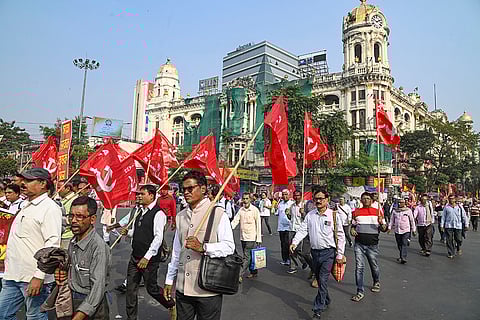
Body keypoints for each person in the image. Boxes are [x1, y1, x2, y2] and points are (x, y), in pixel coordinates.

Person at [164, 171, 235, 320]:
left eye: (190, 188)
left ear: (203, 189)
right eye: (184, 190)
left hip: (207, 288)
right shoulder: (181, 215)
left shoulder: (218, 213)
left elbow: (229, 246)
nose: (186, 193)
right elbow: (177, 252)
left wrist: (204, 247)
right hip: (183, 288)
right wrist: (169, 280)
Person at [0, 168, 62, 319]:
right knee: (4, 314)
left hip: (32, 277)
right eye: (23, 180)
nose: (23, 184)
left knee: (35, 316)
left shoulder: (50, 208)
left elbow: (52, 245)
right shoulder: (26, 205)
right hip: (12, 275)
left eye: (28, 181)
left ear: (42, 184)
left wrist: (39, 276)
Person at [121, 184, 175, 320]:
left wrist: (147, 257)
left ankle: (171, 304)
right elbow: (138, 232)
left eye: (142, 194)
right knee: (131, 289)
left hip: (149, 260)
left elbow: (158, 237)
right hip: (135, 257)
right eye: (138, 194)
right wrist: (128, 233)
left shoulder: (159, 213)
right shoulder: (139, 212)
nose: (139, 196)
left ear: (151, 196)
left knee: (152, 289)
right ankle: (131, 317)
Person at [290, 188, 345, 319]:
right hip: (315, 253)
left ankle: (317, 309)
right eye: (316, 199)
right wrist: (294, 242)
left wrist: (339, 255)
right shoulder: (310, 215)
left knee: (323, 279)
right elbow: (303, 230)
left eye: (321, 198)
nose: (319, 201)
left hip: (329, 253)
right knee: (320, 280)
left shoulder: (334, 216)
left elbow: (340, 236)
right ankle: (326, 299)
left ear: (327, 200)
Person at [55, 196, 110, 319]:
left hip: (91, 306)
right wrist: (63, 273)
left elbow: (97, 288)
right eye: (71, 216)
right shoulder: (73, 241)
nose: (73, 220)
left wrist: (80, 315)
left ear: (92, 219)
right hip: (72, 300)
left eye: (79, 216)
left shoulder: (98, 247)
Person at [350, 192, 387, 302]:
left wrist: (381, 223)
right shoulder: (356, 212)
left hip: (372, 245)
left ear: (371, 200)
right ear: (361, 200)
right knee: (359, 267)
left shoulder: (378, 212)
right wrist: (352, 230)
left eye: (368, 198)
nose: (365, 200)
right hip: (359, 244)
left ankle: (376, 281)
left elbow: (384, 229)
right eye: (363, 198)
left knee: (373, 265)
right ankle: (359, 291)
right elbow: (353, 226)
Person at [231, 193, 261, 282]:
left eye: (247, 198)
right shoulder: (241, 210)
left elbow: (258, 225)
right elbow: (235, 220)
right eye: (244, 198)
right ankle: (254, 271)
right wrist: (228, 228)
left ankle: (239, 274)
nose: (245, 200)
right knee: (250, 255)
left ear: (250, 199)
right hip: (243, 236)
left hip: (251, 237)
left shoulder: (255, 210)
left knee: (246, 256)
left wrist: (258, 238)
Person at [440, 195, 469, 259]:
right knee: (449, 240)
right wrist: (442, 225)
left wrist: (466, 225)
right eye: (450, 199)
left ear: (455, 199)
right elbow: (443, 217)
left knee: (458, 239)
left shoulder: (459, 207)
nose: (451, 200)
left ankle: (458, 247)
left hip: (458, 225)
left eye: (452, 199)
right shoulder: (446, 207)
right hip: (449, 225)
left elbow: (464, 216)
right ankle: (451, 252)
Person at [388, 199, 416, 264]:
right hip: (397, 230)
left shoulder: (408, 211)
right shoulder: (395, 211)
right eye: (399, 202)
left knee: (404, 243)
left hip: (406, 230)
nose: (400, 204)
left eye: (401, 203)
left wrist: (414, 229)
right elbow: (392, 220)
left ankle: (403, 257)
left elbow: (412, 220)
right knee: (399, 244)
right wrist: (389, 227)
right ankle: (401, 256)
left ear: (404, 203)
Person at [287, 191, 307, 274]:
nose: (296, 197)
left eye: (298, 195)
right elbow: (290, 218)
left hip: (300, 230)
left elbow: (307, 219)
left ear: (301, 196)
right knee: (291, 248)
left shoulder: (304, 206)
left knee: (298, 249)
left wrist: (303, 213)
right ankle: (293, 266)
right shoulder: (292, 206)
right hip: (292, 229)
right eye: (295, 196)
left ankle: (304, 261)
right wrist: (287, 214)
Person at [275, 189, 294, 266]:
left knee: (288, 244)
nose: (284, 196)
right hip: (281, 227)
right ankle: (284, 259)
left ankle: (290, 259)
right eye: (283, 194)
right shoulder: (280, 203)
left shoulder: (292, 204)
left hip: (289, 227)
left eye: (286, 194)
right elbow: (277, 213)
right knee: (283, 244)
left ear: (289, 195)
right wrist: (276, 208)